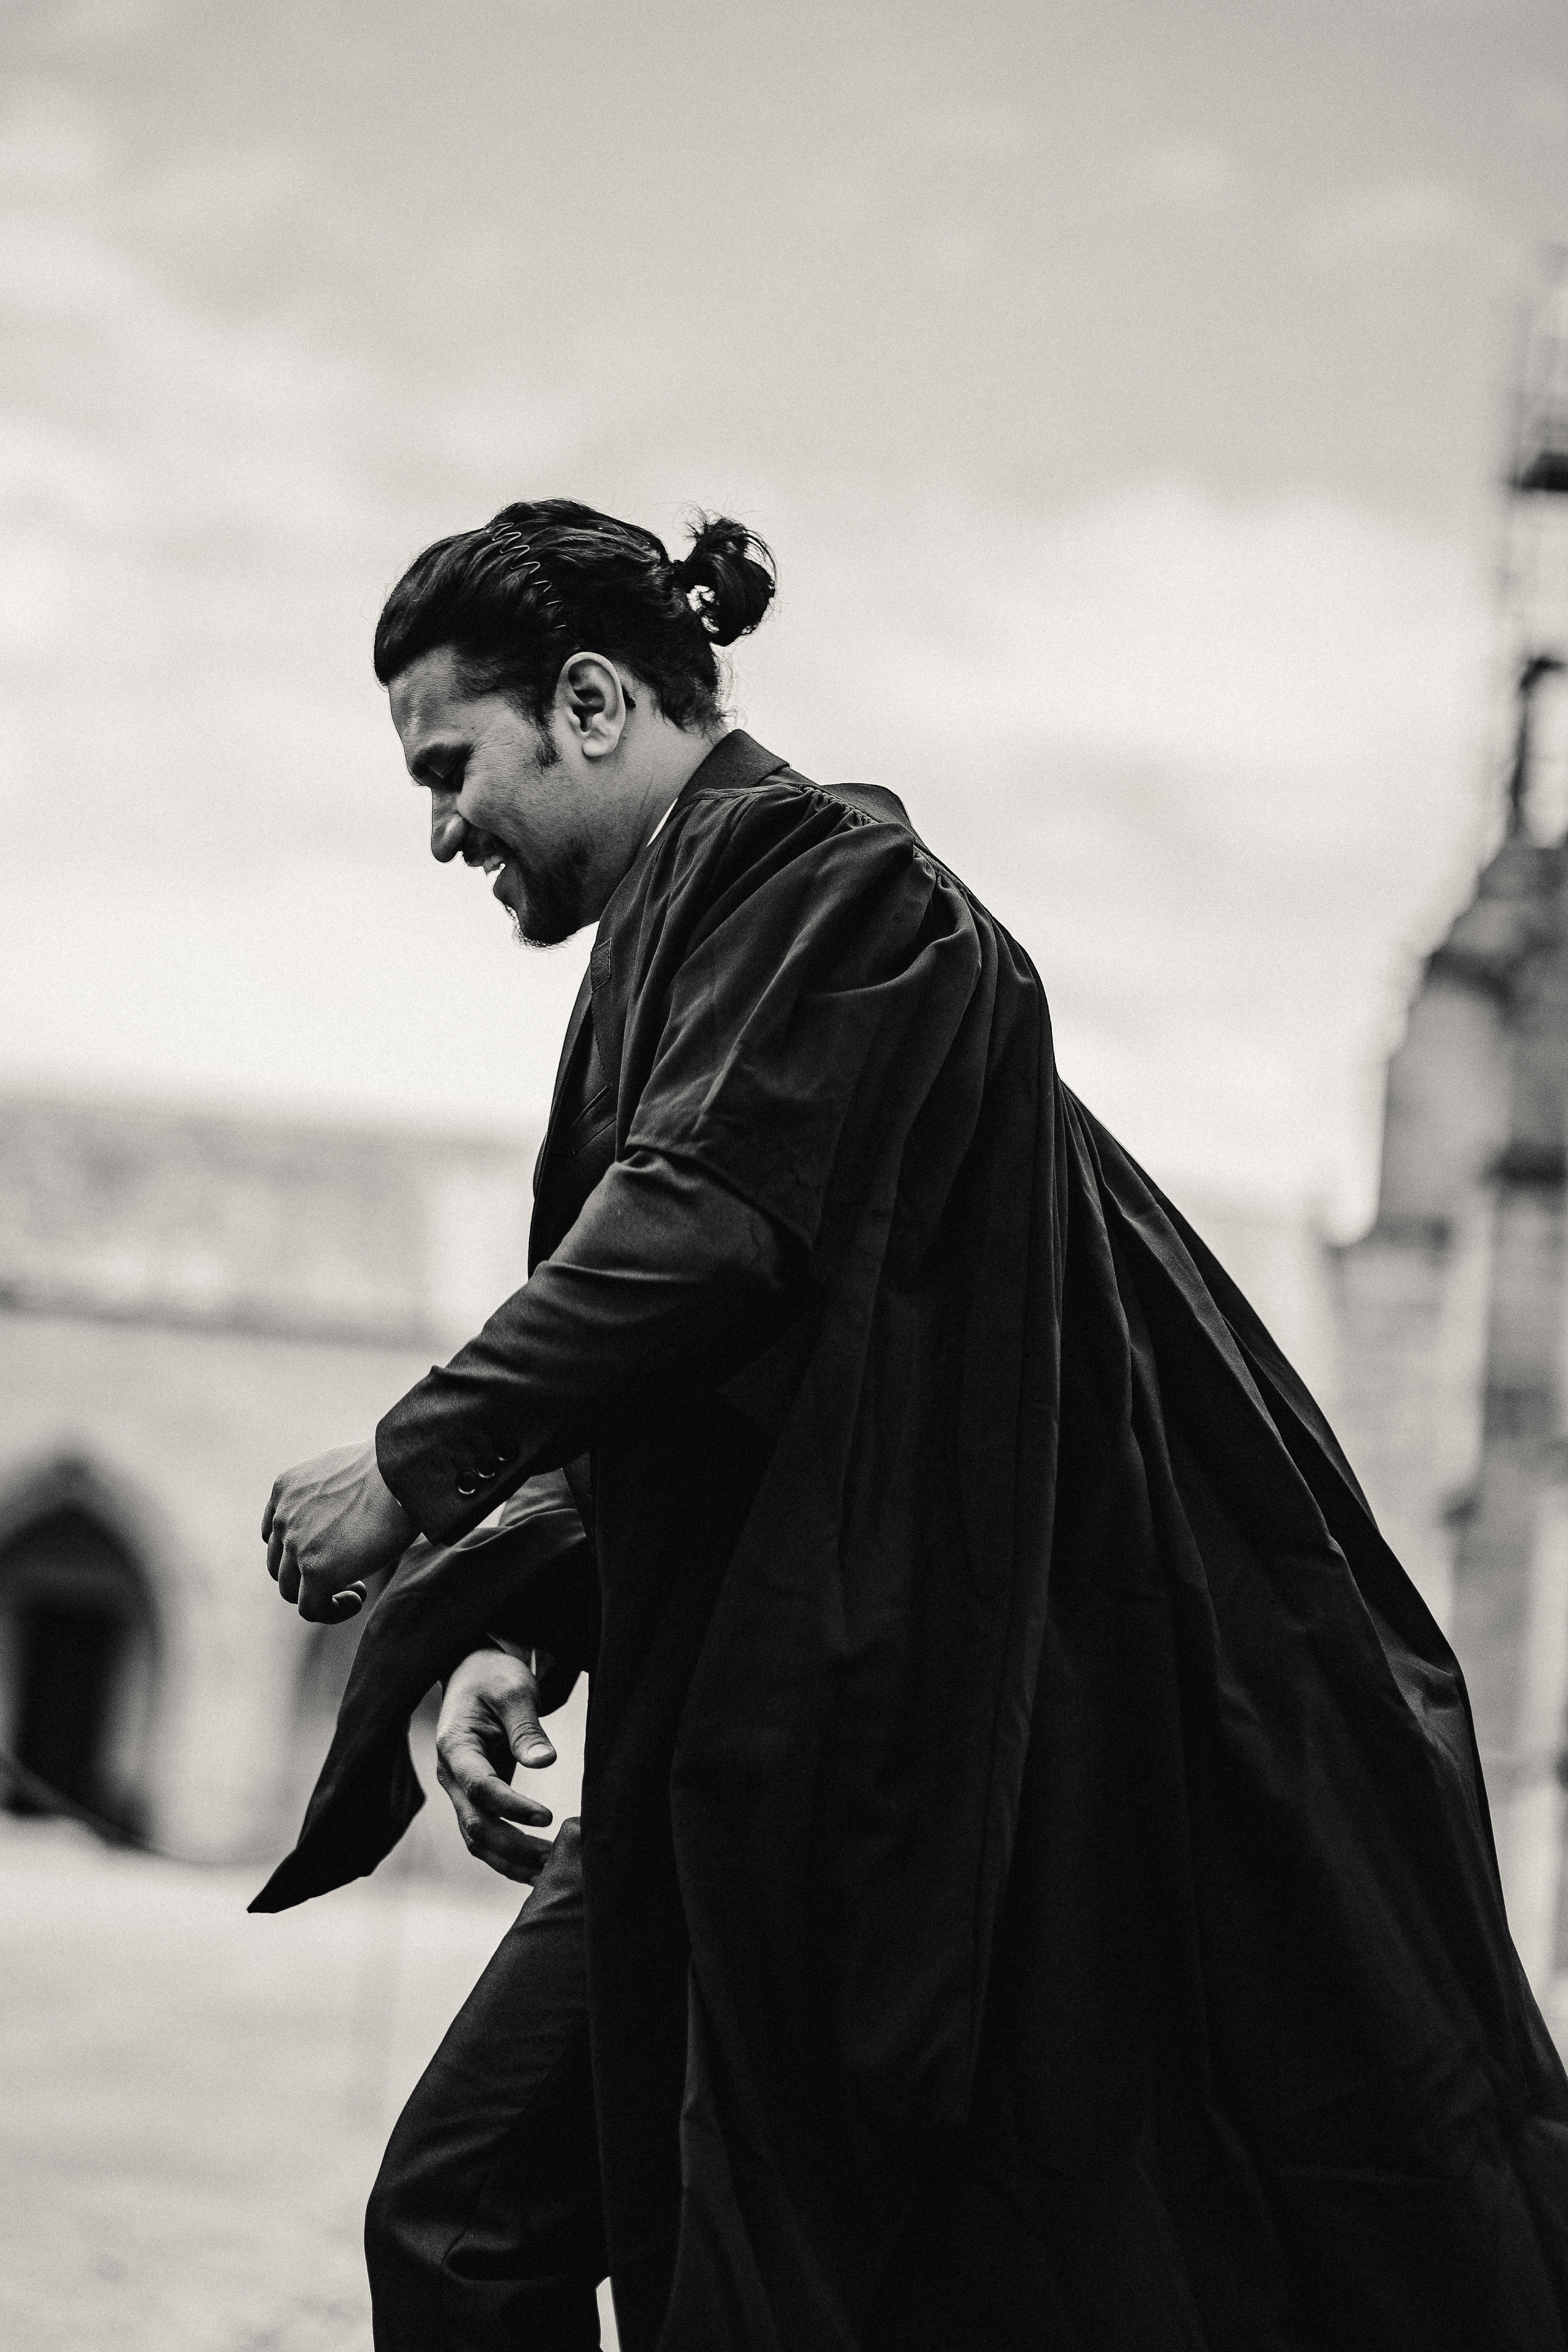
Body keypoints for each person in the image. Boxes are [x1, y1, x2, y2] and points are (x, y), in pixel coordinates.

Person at [255, 499, 1568, 2352]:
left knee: (783, 2269)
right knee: (474, 2207)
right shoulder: (705, 928)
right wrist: (529, 1618)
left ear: (595, 700)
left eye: (452, 767)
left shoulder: (840, 888)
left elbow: (706, 1233)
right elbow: (742, 1374)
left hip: (904, 1775)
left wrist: (407, 1470)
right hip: (730, 1754)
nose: (443, 826)